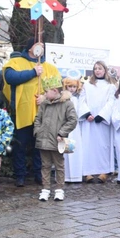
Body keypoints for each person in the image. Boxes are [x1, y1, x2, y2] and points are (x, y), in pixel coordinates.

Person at [3, 38, 61, 187]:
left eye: (43, 46)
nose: (41, 48)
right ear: (30, 48)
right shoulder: (15, 63)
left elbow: (57, 89)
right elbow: (10, 78)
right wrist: (33, 72)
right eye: (38, 45)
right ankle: (20, 176)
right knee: (20, 145)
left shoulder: (50, 68)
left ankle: (39, 175)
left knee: (40, 147)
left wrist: (46, 97)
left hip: (43, 114)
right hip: (22, 112)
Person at [34, 74, 77, 202]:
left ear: (54, 91)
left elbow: (72, 120)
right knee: (45, 165)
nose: (44, 94)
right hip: (43, 139)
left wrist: (62, 133)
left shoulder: (67, 104)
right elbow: (38, 119)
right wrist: (38, 131)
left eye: (46, 91)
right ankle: (45, 189)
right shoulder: (44, 104)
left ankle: (59, 189)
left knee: (59, 165)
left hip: (57, 140)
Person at [79, 61, 115, 183]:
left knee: (103, 146)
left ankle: (103, 171)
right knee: (88, 145)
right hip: (89, 120)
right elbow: (82, 100)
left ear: (105, 70)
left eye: (100, 68)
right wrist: (87, 114)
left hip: (102, 121)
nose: (97, 71)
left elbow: (111, 101)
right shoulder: (87, 85)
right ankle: (87, 171)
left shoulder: (111, 86)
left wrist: (102, 115)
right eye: (95, 69)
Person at [62, 77, 85, 183]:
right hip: (66, 127)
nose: (72, 89)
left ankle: (75, 175)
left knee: (75, 150)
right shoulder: (63, 98)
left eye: (74, 87)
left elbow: (80, 112)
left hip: (75, 128)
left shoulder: (77, 99)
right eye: (70, 86)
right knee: (66, 151)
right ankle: (66, 175)